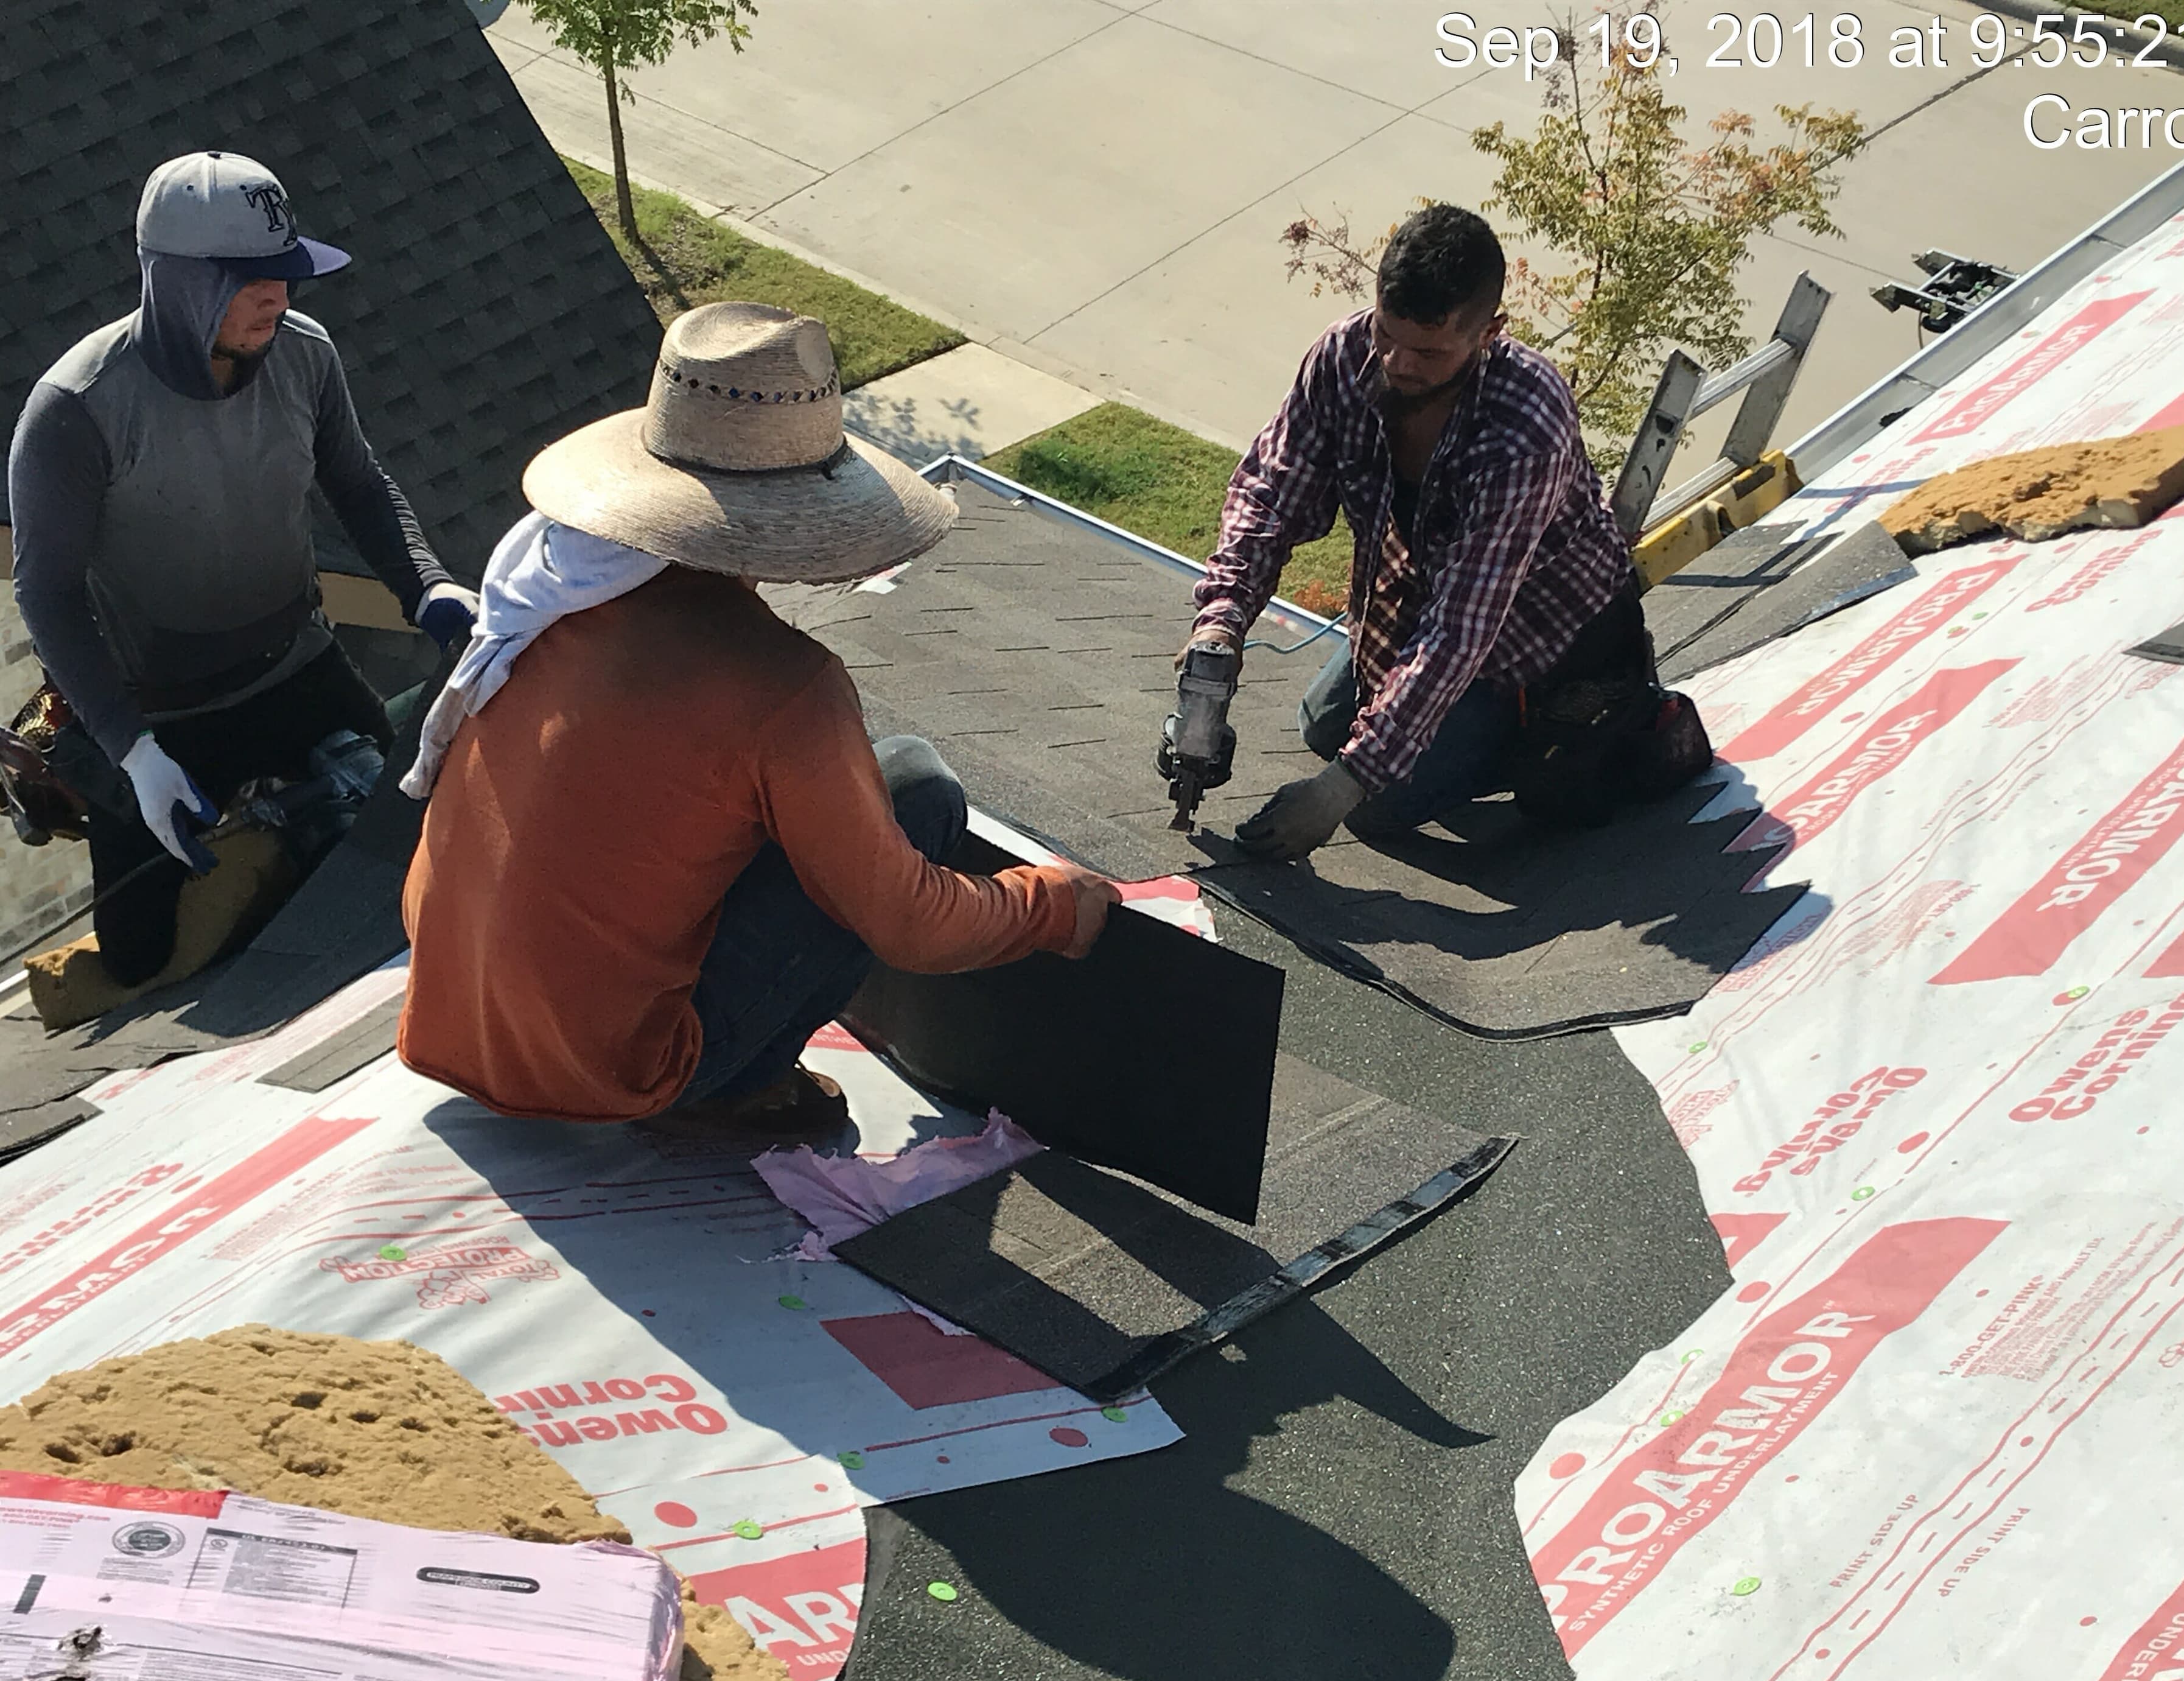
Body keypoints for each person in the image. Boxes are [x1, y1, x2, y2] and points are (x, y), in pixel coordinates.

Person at [397, 302, 1121, 1142]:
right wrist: (1049, 906)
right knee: (917, 790)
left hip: (450, 1020)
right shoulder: (784, 687)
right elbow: (909, 924)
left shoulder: (552, 597)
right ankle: (727, 1086)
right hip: (610, 1072)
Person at [7, 150, 478, 985]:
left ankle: (286, 825)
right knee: (139, 959)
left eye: (287, 275)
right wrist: (134, 753)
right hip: (159, 714)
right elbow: (46, 594)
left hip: (296, 666)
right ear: (178, 281)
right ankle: (243, 826)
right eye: (251, 280)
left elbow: (362, 487)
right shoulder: (76, 409)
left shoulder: (306, 353)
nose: (281, 296)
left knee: (413, 852)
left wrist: (430, 587)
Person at [1185, 203, 1702, 860]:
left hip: (1538, 653)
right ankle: (1436, 749)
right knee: (1322, 725)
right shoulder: (1345, 356)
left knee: (1374, 806)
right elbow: (1270, 490)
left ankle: (1536, 746)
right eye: (1387, 335)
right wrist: (1222, 622)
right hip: (1427, 601)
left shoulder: (1525, 429)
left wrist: (1344, 787)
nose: (1397, 364)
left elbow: (1460, 631)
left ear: (1489, 334)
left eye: (1429, 352)